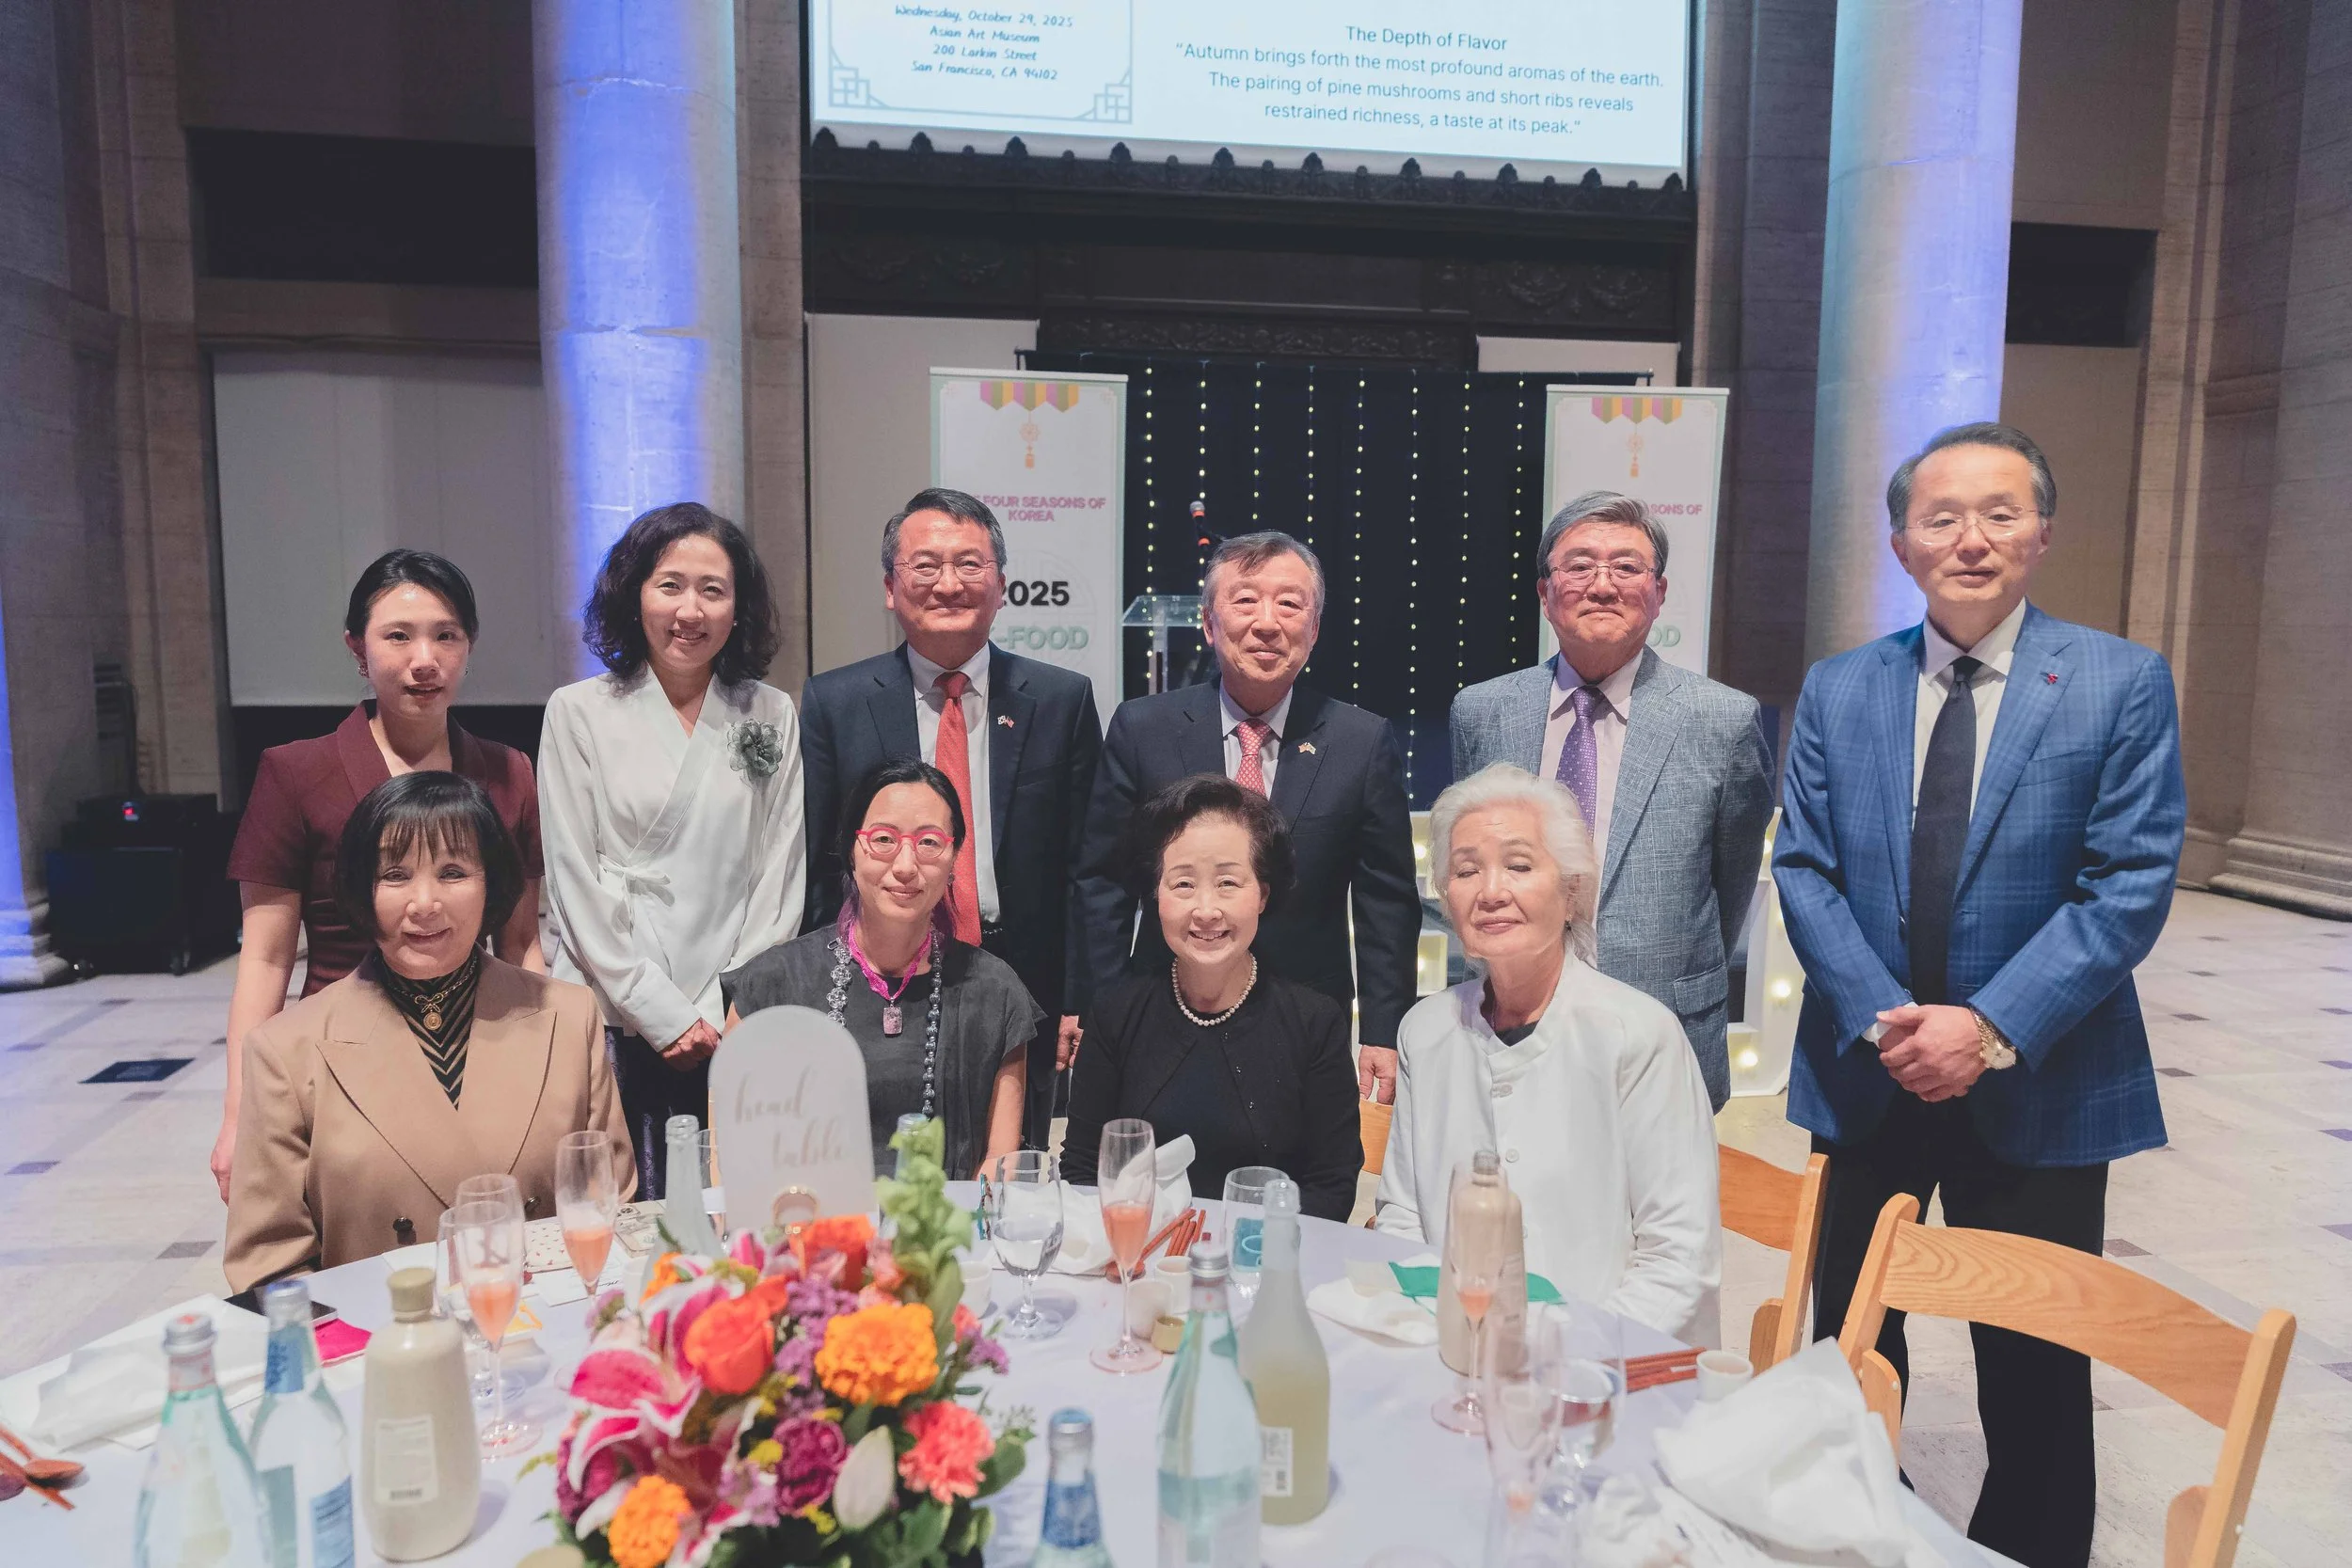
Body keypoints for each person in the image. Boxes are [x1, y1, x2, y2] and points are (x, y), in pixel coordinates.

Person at [1773, 422, 2185, 1568]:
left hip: (2042, 1078)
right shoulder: (1840, 686)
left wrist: (1988, 1026)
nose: (1970, 538)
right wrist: (1885, 1016)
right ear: (1901, 542)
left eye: (1999, 513)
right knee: (1852, 1338)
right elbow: (1801, 863)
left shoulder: (2116, 680)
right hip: (1870, 1068)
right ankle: (1863, 1535)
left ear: (2042, 534)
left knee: (2037, 1354)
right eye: (1941, 516)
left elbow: (2129, 881)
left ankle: (2033, 1550)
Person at [213, 549, 544, 1201]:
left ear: (468, 645)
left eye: (446, 635)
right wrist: (238, 1112)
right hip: (340, 1054)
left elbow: (520, 943)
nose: (426, 658)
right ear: (358, 650)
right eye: (399, 635)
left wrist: (542, 1067)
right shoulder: (296, 771)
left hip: (475, 1050)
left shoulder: (507, 771)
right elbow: (267, 958)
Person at [225, 772, 633, 1290]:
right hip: (382, 1347)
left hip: (542, 1336)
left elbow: (609, 1208)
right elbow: (271, 1272)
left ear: (493, 885)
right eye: (395, 875)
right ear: (361, 889)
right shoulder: (285, 1051)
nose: (424, 903)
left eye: (454, 872)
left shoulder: (570, 1017)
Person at [1375, 764, 1721, 1346]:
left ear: (1572, 893)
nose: (1490, 892)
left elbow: (1678, 1260)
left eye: (1518, 865)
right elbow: (1403, 1218)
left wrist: (1558, 1362)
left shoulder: (1638, 1035)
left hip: (1608, 1367)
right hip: (1452, 1351)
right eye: (1465, 871)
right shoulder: (1425, 1031)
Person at [1450, 491, 1773, 1110]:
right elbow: (1470, 860)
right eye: (1578, 566)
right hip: (1507, 1024)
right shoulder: (1483, 712)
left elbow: (1728, 885)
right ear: (1545, 593)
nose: (1602, 584)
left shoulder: (1722, 720)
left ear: (1658, 593)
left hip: (1660, 1032)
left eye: (1627, 567)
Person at [798, 487, 1101, 1146]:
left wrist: (1082, 994)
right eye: (926, 565)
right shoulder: (835, 702)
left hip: (1023, 975)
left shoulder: (1063, 700)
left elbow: (1089, 868)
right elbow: (823, 861)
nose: (949, 583)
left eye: (970, 565)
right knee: (882, 1164)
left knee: (1009, 1167)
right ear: (890, 586)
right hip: (879, 973)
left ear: (1000, 586)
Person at [1073, 531, 1419, 1104]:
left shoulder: (1362, 741)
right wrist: (1100, 1007)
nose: (1267, 622)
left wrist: (1383, 1030)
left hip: (1306, 1014)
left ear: (1314, 627)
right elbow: (1102, 884)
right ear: (1210, 624)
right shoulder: (1143, 729)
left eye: (1290, 603)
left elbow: (1386, 901)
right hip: (1163, 1003)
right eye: (1245, 600)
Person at [538, 503, 805, 1198]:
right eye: (670, 585)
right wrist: (659, 1011)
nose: (691, 609)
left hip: (727, 1013)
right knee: (615, 1204)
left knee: (731, 1204)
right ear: (634, 594)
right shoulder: (578, 711)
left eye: (713, 590)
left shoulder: (770, 713)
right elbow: (572, 877)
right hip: (612, 1001)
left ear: (739, 607)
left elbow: (779, 871)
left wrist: (731, 1005)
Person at [1062, 776, 1363, 1221]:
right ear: (1157, 896)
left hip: (1262, 1265)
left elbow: (1331, 1186)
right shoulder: (1115, 1016)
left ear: (1262, 895)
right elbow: (1085, 1170)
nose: (1205, 910)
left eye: (1228, 883)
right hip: (1141, 1263)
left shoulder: (1315, 1024)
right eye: (1183, 884)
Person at [723, 760, 1035, 1181]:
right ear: (851, 850)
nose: (906, 866)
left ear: (955, 855)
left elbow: (1000, 1168)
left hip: (944, 1235)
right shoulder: (774, 983)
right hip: (809, 1235)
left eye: (929, 842)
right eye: (883, 839)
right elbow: (731, 1154)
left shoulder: (996, 992)